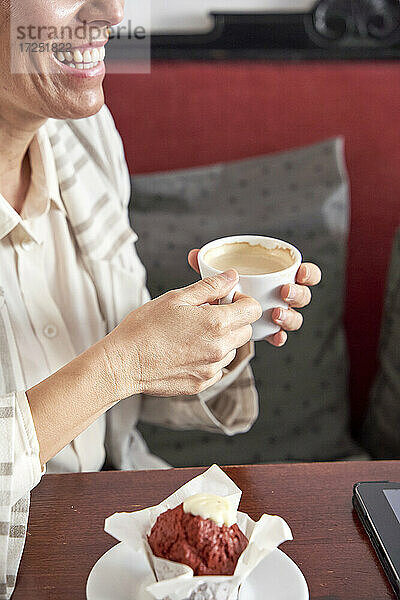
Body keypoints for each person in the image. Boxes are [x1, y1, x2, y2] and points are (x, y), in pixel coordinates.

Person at [0, 0, 321, 596]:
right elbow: (121, 364)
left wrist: (216, 332)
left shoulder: (84, 136)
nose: (113, 13)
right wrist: (125, 362)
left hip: (118, 531)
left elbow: (129, 383)